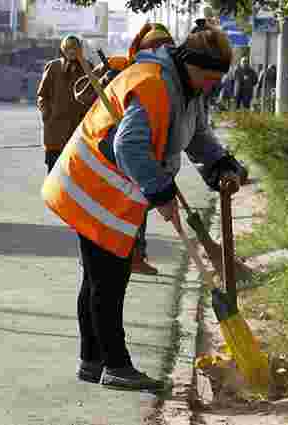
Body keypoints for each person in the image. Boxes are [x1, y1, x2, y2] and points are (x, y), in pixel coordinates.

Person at [42, 22, 246, 392]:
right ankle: (116, 365)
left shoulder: (188, 90)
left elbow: (197, 136)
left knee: (98, 277)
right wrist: (162, 192)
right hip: (92, 184)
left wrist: (221, 166)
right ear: (193, 66)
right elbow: (130, 146)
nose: (212, 86)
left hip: (111, 190)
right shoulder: (153, 84)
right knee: (107, 278)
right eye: (210, 78)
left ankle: (93, 361)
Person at [73, 22, 176, 276]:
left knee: (137, 210)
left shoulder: (165, 77)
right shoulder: (121, 66)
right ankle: (104, 258)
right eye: (157, 46)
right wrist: (107, 80)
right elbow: (83, 95)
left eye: (166, 46)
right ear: (144, 47)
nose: (162, 51)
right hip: (109, 150)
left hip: (144, 155)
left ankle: (136, 255)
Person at [36, 35, 91, 172]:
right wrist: (47, 115)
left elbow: (95, 96)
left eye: (75, 48)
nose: (72, 51)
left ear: (80, 50)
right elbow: (42, 95)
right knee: (54, 170)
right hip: (55, 130)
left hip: (78, 130)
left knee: (77, 171)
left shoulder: (88, 68)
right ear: (63, 49)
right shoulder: (53, 67)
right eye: (69, 48)